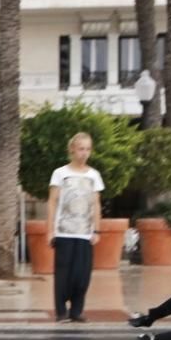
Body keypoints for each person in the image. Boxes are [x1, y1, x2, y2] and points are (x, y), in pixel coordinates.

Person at [48, 132, 104, 323]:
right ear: (72, 149)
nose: (84, 153)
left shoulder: (93, 175)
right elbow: (53, 201)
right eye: (81, 149)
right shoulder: (60, 173)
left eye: (88, 149)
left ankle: (77, 310)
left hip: (85, 233)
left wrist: (97, 229)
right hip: (63, 231)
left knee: (82, 274)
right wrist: (50, 230)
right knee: (63, 273)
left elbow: (96, 204)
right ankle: (61, 311)